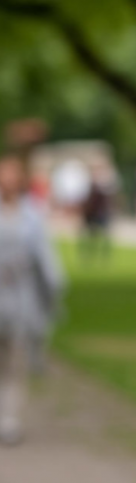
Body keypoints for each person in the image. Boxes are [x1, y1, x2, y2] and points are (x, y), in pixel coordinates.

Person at [0, 153, 64, 444]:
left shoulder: (31, 214)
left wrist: (52, 298)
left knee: (15, 363)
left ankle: (9, 419)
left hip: (21, 302)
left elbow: (47, 265)